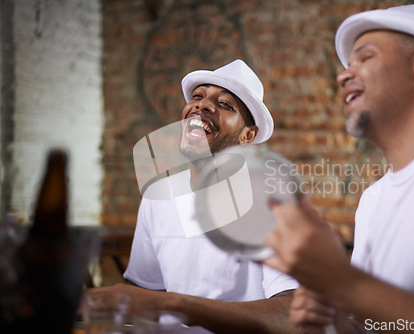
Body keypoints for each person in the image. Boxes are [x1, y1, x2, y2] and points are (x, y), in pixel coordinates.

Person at [263, 3, 414, 333]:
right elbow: (372, 324)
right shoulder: (373, 200)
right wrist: (333, 320)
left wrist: (343, 283)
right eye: (348, 64)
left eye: (365, 57)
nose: (343, 74)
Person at [86, 59, 299, 334]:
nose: (202, 104)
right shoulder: (157, 196)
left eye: (224, 104)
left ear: (248, 136)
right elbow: (147, 292)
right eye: (198, 96)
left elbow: (291, 314)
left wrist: (175, 305)